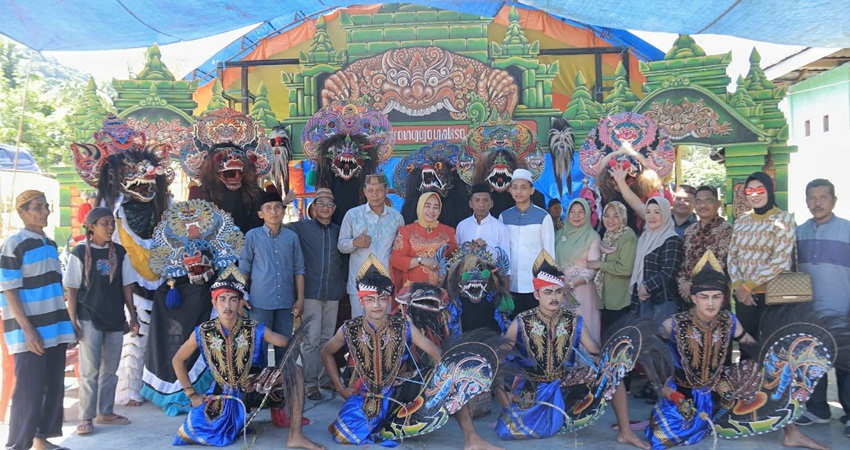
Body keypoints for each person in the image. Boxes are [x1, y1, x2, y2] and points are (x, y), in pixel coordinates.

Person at [647, 250, 829, 450]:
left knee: (776, 371)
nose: (710, 303)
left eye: (716, 297)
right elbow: (650, 353)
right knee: (660, 439)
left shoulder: (729, 320)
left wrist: (782, 360)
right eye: (704, 296)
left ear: (724, 298)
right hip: (682, 392)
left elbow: (751, 345)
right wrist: (663, 387)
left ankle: (792, 434)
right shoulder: (673, 324)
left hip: (721, 387)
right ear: (693, 298)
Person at [494, 251, 648, 448]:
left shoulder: (573, 320)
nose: (554, 297)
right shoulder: (521, 322)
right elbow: (499, 359)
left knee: (612, 371)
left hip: (564, 383)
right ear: (536, 294)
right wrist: (501, 389)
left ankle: (625, 431)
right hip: (531, 388)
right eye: (547, 292)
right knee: (506, 431)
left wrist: (616, 359)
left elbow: (594, 350)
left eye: (558, 291)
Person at [171, 271, 323, 449]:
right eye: (222, 299)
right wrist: (192, 395)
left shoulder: (254, 328)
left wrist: (297, 334)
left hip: (254, 385)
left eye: (233, 299)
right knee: (198, 429)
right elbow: (177, 360)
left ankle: (295, 435)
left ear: (240, 303)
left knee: (295, 371)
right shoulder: (203, 331)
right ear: (214, 302)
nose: (227, 305)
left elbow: (282, 341)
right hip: (223, 393)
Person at [320, 255, 442, 445]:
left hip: (399, 392)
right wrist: (339, 387)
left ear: (389, 300)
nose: (376, 305)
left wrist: (444, 381)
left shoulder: (403, 326)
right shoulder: (349, 328)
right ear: (361, 302)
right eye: (370, 300)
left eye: (382, 299)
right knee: (343, 435)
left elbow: (435, 352)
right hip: (364, 394)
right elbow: (325, 352)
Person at [0, 190, 76, 450]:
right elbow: (8, 288)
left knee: (52, 386)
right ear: (22, 212)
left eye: (46, 207)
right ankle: (18, 444)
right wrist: (27, 330)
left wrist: (68, 324)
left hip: (55, 327)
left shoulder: (50, 243)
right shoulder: (15, 243)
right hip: (29, 330)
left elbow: (55, 289)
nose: (44, 212)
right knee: (29, 390)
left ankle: (40, 439)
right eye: (38, 208)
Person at [64, 207, 139, 435]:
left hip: (115, 318)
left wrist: (132, 316)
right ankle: (85, 416)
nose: (109, 228)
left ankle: (105, 412)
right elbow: (72, 290)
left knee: (110, 370)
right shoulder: (79, 253)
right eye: (104, 223)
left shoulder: (119, 252)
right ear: (91, 226)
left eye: (111, 224)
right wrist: (72, 321)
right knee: (90, 371)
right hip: (89, 318)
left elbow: (126, 286)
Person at [796, 178, 850, 431]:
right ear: (806, 201)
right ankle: (818, 410)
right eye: (812, 198)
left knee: (846, 364)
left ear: (834, 200)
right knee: (812, 361)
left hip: (844, 311)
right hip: (810, 312)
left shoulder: (847, 230)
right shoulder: (799, 232)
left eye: (823, 197)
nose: (817, 203)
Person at [727, 171, 795, 358]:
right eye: (749, 191)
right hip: (744, 297)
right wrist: (739, 286)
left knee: (774, 345)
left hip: (773, 296)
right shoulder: (742, 220)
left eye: (759, 189)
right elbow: (732, 256)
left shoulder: (784, 219)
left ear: (769, 191)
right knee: (747, 345)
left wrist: (748, 286)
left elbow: (780, 260)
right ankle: (747, 385)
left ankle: (771, 387)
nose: (754, 195)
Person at [287, 188, 346, 401]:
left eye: (329, 204)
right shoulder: (302, 228)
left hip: (332, 292)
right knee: (310, 339)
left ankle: (324, 378)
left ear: (334, 209)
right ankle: (310, 382)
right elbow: (276, 226)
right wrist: (284, 203)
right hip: (310, 291)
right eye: (320, 204)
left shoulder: (339, 231)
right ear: (313, 207)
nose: (325, 208)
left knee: (327, 337)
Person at [239, 187, 305, 365]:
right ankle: (257, 390)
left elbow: (299, 269)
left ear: (283, 211)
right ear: (261, 214)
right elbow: (244, 268)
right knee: (256, 348)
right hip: (259, 303)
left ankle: (281, 388)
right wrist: (240, 295)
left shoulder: (292, 237)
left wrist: (300, 298)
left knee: (284, 349)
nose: (273, 212)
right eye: (268, 208)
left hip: (286, 302)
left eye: (277, 207)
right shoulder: (252, 236)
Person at [338, 174, 404, 317]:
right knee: (359, 326)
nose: (375, 195)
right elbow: (341, 246)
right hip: (358, 283)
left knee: (385, 327)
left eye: (379, 190)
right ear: (364, 191)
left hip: (386, 283)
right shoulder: (352, 215)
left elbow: (400, 250)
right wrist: (355, 242)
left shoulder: (396, 217)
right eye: (370, 190)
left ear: (386, 190)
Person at [499, 168, 555, 315]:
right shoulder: (504, 217)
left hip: (534, 285)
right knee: (513, 327)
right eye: (515, 187)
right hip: (510, 285)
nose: (519, 192)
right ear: (510, 190)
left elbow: (548, 253)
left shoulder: (543, 217)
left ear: (532, 190)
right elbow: (501, 253)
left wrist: (545, 284)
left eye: (523, 187)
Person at [390, 191, 457, 300]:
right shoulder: (407, 231)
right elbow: (396, 260)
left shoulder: (448, 231)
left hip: (440, 291)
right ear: (420, 206)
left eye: (436, 207)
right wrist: (422, 260)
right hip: (413, 291)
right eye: (427, 206)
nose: (431, 211)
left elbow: (455, 258)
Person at [555, 198, 602, 341]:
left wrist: (571, 284)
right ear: (567, 214)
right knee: (563, 328)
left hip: (582, 290)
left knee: (583, 327)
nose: (576, 215)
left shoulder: (593, 236)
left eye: (581, 212)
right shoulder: (559, 235)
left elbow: (592, 268)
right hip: (560, 290)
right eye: (572, 212)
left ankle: (586, 361)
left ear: (587, 214)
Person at [676, 185, 732, 302]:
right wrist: (683, 285)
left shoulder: (726, 230)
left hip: (713, 296)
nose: (703, 206)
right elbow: (682, 261)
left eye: (708, 201)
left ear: (718, 204)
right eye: (698, 202)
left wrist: (691, 285)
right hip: (688, 297)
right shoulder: (690, 230)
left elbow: (719, 264)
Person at [630, 196, 682, 322]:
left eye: (657, 212)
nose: (651, 216)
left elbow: (668, 271)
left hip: (660, 302)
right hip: (641, 300)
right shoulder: (644, 237)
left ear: (665, 214)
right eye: (648, 212)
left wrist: (646, 286)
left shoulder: (671, 239)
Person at [589, 201, 638, 335]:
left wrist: (600, 265)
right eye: (606, 216)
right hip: (606, 299)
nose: (610, 220)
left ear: (622, 217)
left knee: (618, 340)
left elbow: (625, 269)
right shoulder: (607, 236)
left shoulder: (627, 237)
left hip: (619, 301)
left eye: (615, 216)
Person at [455, 183, 511, 264]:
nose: (481, 204)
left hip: (492, 275)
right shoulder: (462, 226)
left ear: (491, 203)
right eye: (477, 200)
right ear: (471, 204)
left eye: (485, 200)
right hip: (465, 274)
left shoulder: (501, 228)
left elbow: (505, 259)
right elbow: (457, 254)